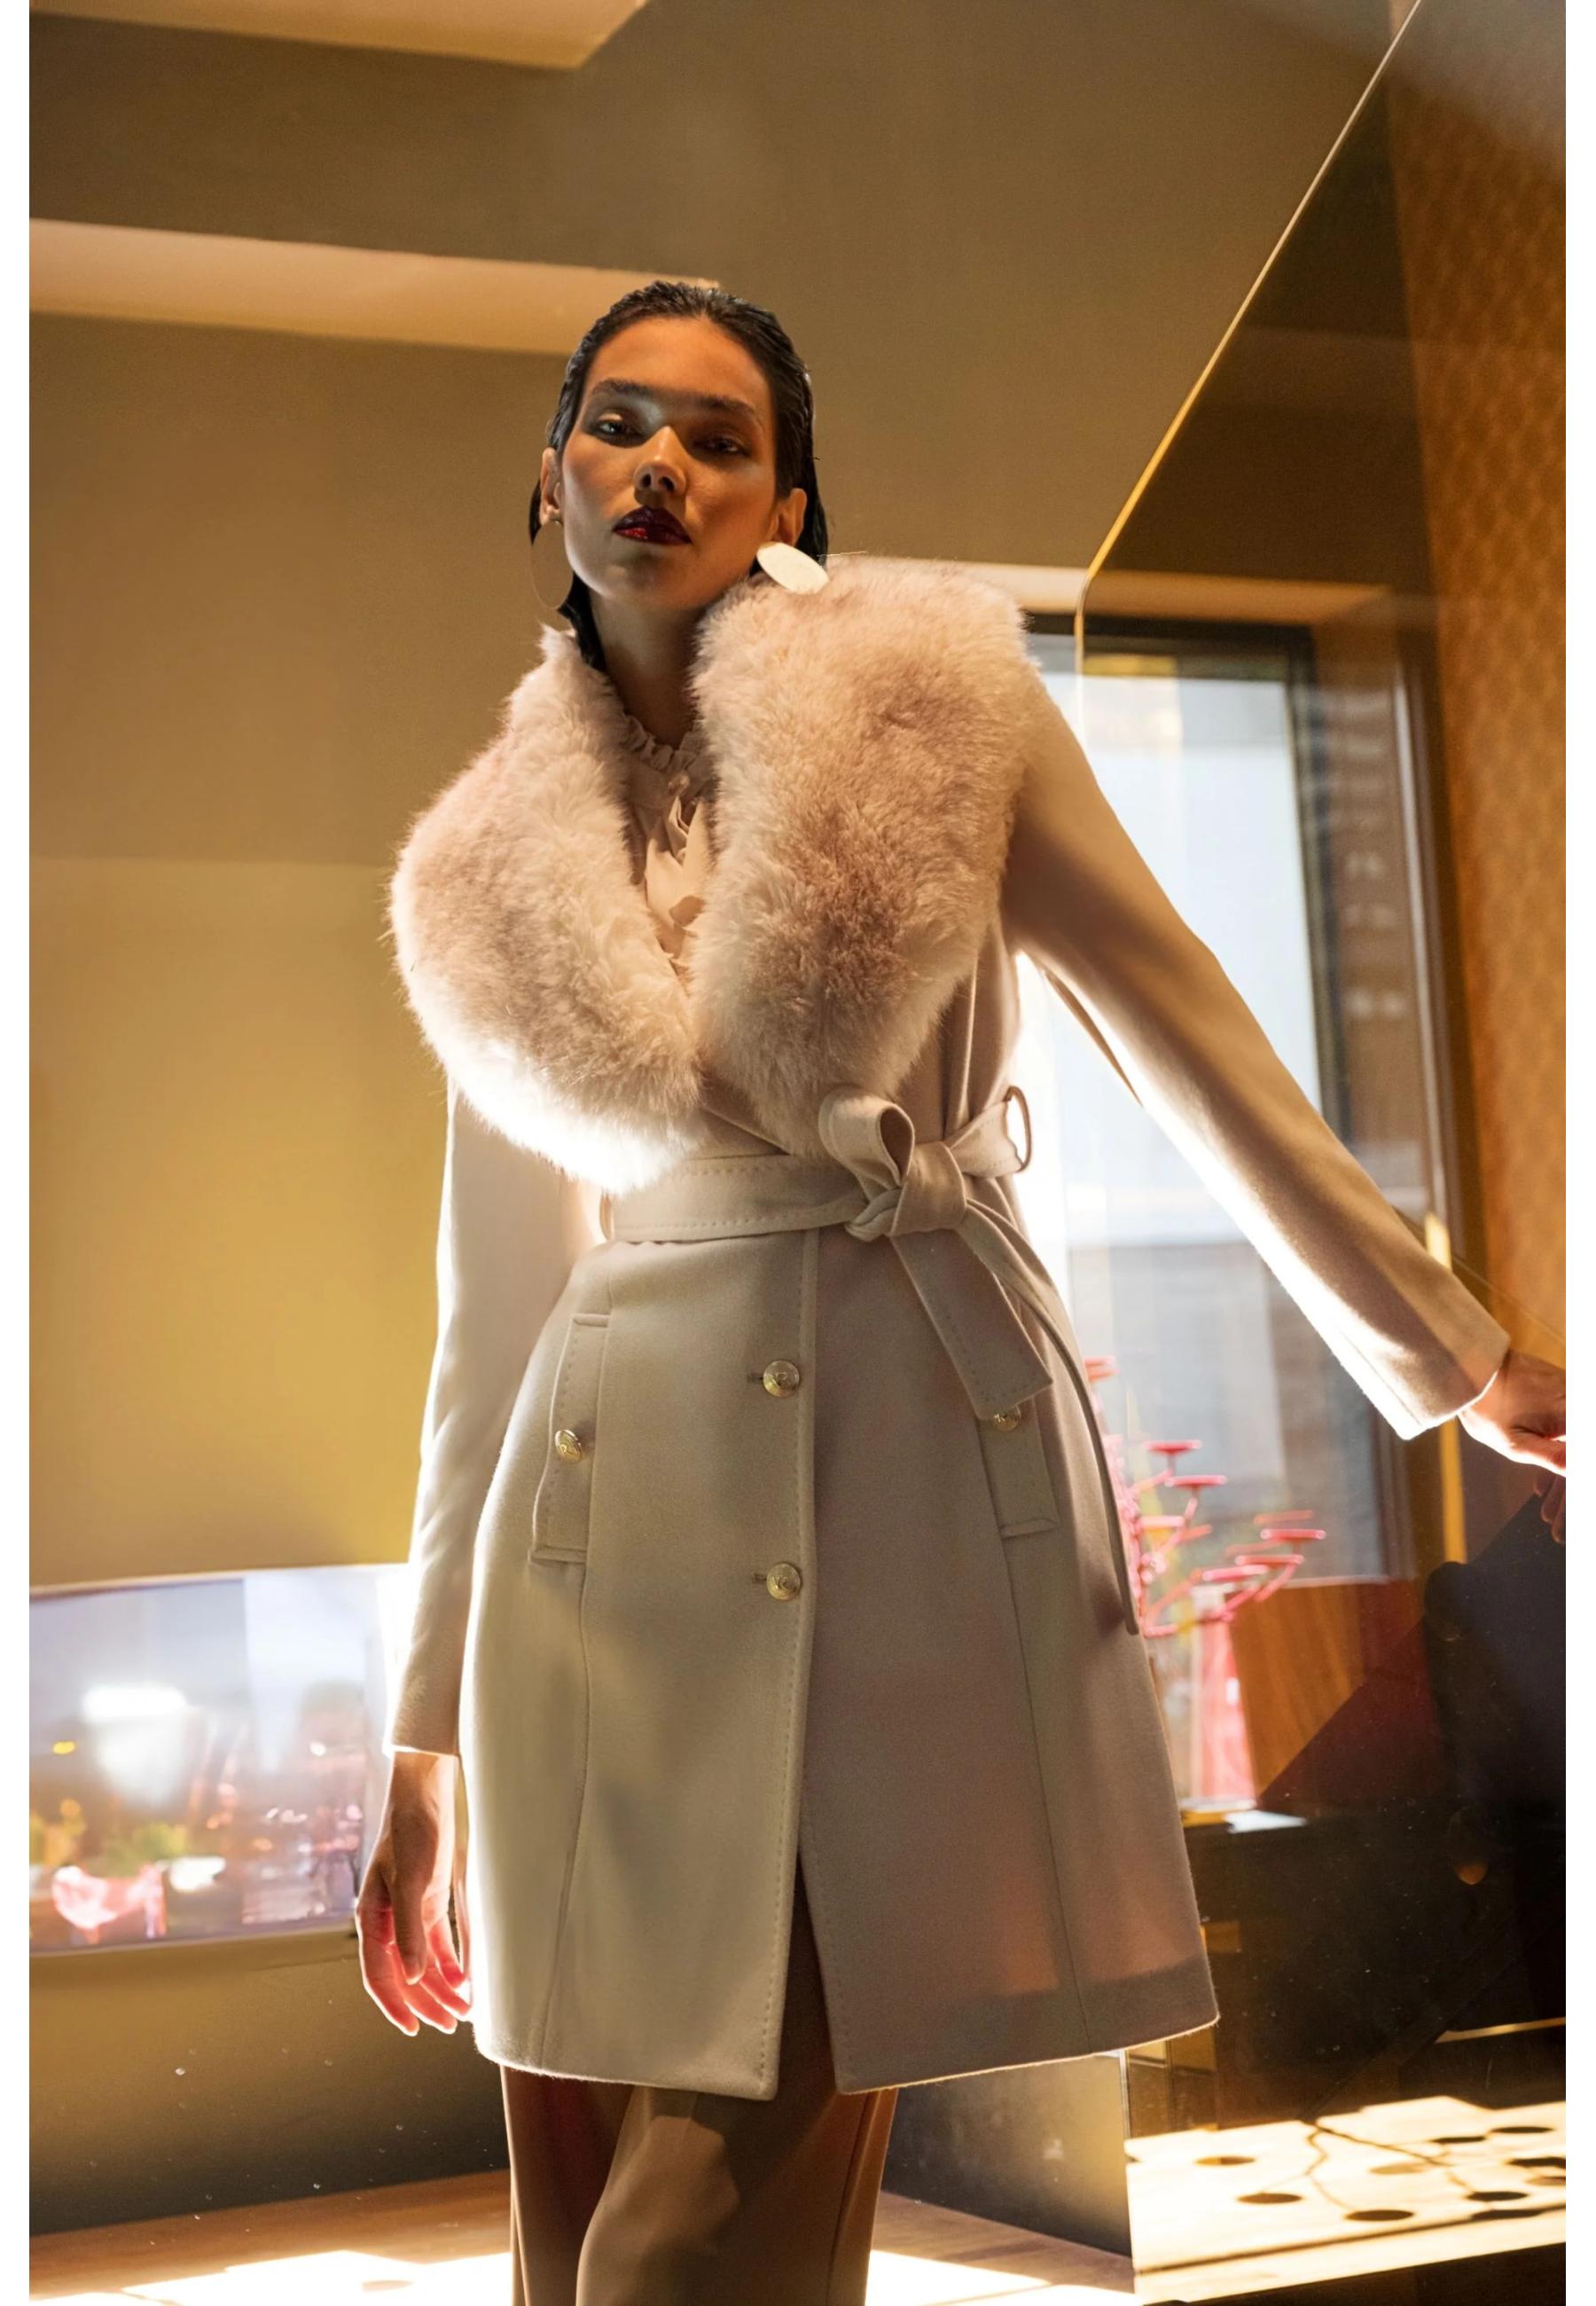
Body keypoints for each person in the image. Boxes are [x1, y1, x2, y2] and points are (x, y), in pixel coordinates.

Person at [356, 280, 1566, 2303]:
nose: (660, 465)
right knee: (573, 2229)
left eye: (720, 438)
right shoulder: (478, 870)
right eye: (620, 422)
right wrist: (422, 1743)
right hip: (590, 1580)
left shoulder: (941, 713)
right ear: (549, 471)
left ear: (787, 504)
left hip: (897, 1490)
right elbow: (488, 1333)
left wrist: (1454, 1356)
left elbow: (1186, 1030)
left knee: (688, 2246)